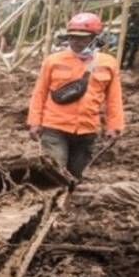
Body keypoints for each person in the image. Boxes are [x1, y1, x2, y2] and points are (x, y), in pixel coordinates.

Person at [27, 12, 125, 180]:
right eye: (72, 37)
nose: (75, 42)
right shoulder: (53, 61)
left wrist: (114, 126)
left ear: (94, 38)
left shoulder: (108, 63)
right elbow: (39, 92)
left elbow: (114, 98)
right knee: (55, 170)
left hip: (87, 128)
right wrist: (34, 122)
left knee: (76, 174)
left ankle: (68, 198)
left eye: (82, 38)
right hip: (55, 126)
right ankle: (55, 202)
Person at [121, 2, 139, 70]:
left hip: (136, 38)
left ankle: (130, 65)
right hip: (128, 37)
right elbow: (126, 27)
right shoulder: (129, 18)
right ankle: (121, 64)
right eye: (132, 8)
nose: (132, 10)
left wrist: (138, 35)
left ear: (138, 9)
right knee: (124, 51)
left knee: (132, 52)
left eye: (134, 8)